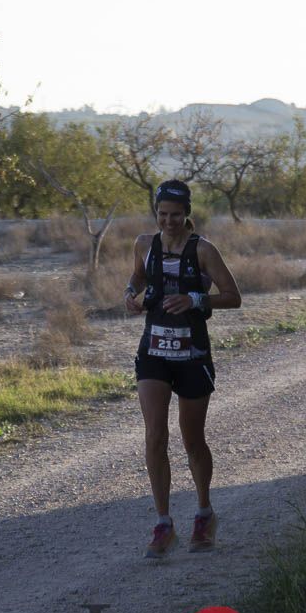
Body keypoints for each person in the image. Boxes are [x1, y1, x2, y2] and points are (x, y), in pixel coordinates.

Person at [124, 180, 241, 558]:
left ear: (186, 213)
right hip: (154, 351)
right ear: (155, 213)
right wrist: (130, 292)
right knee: (155, 436)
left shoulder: (203, 250)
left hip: (192, 354)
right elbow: (139, 275)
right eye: (162, 215)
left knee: (192, 439)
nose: (169, 222)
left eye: (176, 215)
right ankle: (162, 524)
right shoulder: (145, 244)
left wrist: (193, 299)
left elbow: (233, 297)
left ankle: (204, 513)